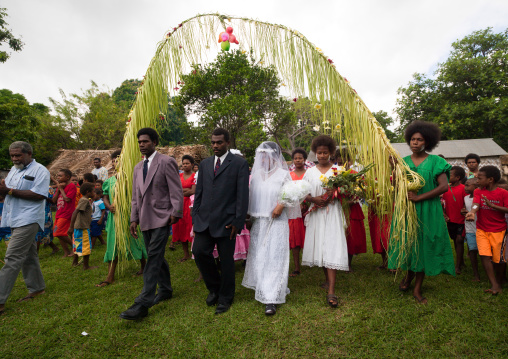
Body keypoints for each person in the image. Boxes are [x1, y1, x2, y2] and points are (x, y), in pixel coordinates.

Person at [388, 121, 455, 304]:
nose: (415, 142)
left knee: (424, 244)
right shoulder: (403, 162)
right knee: (409, 243)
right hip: (407, 210)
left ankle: (417, 287)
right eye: (412, 139)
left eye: (419, 139)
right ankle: (408, 276)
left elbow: (443, 187)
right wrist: (393, 168)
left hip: (428, 209)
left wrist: (420, 197)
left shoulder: (436, 161)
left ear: (428, 142)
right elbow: (396, 187)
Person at [120, 128, 184, 320]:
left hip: (163, 216)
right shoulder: (138, 167)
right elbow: (135, 196)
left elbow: (176, 189)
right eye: (139, 142)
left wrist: (176, 211)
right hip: (145, 218)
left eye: (145, 141)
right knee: (155, 256)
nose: (142, 144)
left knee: (153, 257)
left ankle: (143, 303)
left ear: (154, 142)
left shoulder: (166, 162)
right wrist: (134, 218)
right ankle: (165, 289)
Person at [192, 128, 249, 315]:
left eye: (219, 142)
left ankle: (225, 298)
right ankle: (215, 288)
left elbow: (242, 195)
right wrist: (196, 215)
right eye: (213, 142)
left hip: (227, 222)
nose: (215, 145)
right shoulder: (206, 164)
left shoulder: (239, 164)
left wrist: (238, 221)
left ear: (228, 143)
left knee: (226, 262)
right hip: (204, 221)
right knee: (199, 253)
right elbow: (199, 192)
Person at [242, 141, 301, 315]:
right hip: (260, 222)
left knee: (275, 256)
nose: (263, 159)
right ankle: (263, 285)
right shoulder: (256, 175)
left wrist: (280, 206)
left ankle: (271, 297)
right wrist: (248, 216)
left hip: (277, 221)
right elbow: (251, 197)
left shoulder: (283, 174)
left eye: (267, 155)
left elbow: (291, 194)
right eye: (261, 155)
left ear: (275, 156)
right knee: (261, 255)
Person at [0, 141, 50, 315]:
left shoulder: (40, 171)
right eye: (12, 156)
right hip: (13, 217)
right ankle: (37, 288)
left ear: (29, 153)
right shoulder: (14, 170)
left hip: (29, 219)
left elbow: (39, 195)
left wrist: (9, 191)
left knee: (12, 258)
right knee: (28, 255)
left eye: (18, 155)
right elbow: (6, 190)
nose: (14, 159)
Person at [302, 135, 349, 308]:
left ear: (331, 153)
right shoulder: (310, 172)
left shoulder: (338, 171)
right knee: (321, 247)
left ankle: (331, 290)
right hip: (317, 213)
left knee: (331, 246)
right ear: (315, 153)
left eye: (325, 152)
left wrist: (333, 195)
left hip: (332, 213)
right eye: (319, 153)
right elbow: (303, 193)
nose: (322, 156)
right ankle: (327, 280)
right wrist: (313, 199)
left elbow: (345, 191)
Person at [96, 149, 147, 288]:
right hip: (114, 217)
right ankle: (110, 276)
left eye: (117, 161)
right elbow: (105, 196)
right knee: (113, 242)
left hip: (130, 215)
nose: (115, 163)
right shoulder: (109, 181)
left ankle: (144, 266)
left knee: (136, 239)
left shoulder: (131, 178)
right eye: (113, 162)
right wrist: (108, 206)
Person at [465, 166, 508, 295]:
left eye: (480, 178)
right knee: (484, 255)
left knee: (498, 260)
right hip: (481, 229)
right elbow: (476, 204)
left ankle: (499, 282)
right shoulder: (479, 191)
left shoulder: (503, 193)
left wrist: (493, 205)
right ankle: (494, 284)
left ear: (490, 179)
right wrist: (472, 212)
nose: (477, 180)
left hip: (498, 231)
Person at [337, 151, 367, 272]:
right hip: (338, 208)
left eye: (344, 161)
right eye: (339, 162)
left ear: (350, 162)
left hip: (352, 209)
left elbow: (362, 192)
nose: (342, 164)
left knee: (351, 236)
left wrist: (354, 200)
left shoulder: (356, 175)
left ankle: (348, 263)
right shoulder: (334, 174)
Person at [442, 166, 467, 274]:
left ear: (457, 177)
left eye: (450, 175)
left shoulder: (464, 188)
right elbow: (442, 203)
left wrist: (465, 210)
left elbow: (467, 202)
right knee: (455, 240)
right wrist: (444, 214)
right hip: (451, 220)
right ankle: (460, 260)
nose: (447, 177)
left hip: (461, 220)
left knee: (459, 240)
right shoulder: (445, 189)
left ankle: (457, 266)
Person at [171, 155, 196, 262]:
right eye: (183, 163)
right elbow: (174, 190)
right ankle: (185, 254)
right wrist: (186, 190)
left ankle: (195, 252)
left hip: (190, 205)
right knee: (180, 227)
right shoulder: (179, 176)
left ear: (192, 164)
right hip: (179, 205)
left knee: (190, 227)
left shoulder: (195, 176)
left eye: (187, 163)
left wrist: (181, 191)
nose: (185, 165)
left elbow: (193, 191)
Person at [288, 148, 307, 277]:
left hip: (310, 209)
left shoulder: (310, 174)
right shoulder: (289, 175)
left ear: (305, 159)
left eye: (300, 158)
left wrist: (306, 204)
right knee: (295, 238)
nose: (298, 160)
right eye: (295, 158)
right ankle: (296, 267)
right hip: (295, 210)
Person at [68, 183, 96, 270]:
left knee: (77, 244)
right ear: (88, 192)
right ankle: (86, 266)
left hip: (80, 226)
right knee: (86, 246)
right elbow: (75, 212)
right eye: (93, 191)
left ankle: (75, 262)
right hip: (82, 227)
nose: (94, 192)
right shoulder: (84, 200)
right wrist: (71, 227)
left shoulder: (84, 199)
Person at [51, 169, 77, 257]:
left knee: (58, 232)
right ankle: (66, 251)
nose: (58, 177)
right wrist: (58, 190)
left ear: (67, 177)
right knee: (59, 234)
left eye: (60, 176)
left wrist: (61, 189)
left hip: (67, 213)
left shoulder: (71, 186)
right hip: (59, 213)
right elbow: (53, 201)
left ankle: (74, 248)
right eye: (57, 176)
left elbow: (67, 199)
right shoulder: (60, 187)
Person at [461, 177, 481, 282]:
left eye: (468, 185)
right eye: (465, 185)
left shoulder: (481, 197)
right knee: (472, 251)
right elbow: (465, 208)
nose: (465, 187)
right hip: (469, 228)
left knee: (483, 253)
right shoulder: (466, 198)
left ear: (476, 187)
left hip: (481, 229)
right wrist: (463, 211)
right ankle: (476, 275)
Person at [35, 185, 59, 254]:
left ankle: (35, 254)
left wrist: (44, 196)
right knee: (41, 233)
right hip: (35, 212)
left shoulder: (48, 188)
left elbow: (53, 201)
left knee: (39, 233)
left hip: (45, 213)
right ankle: (55, 247)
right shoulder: (34, 186)